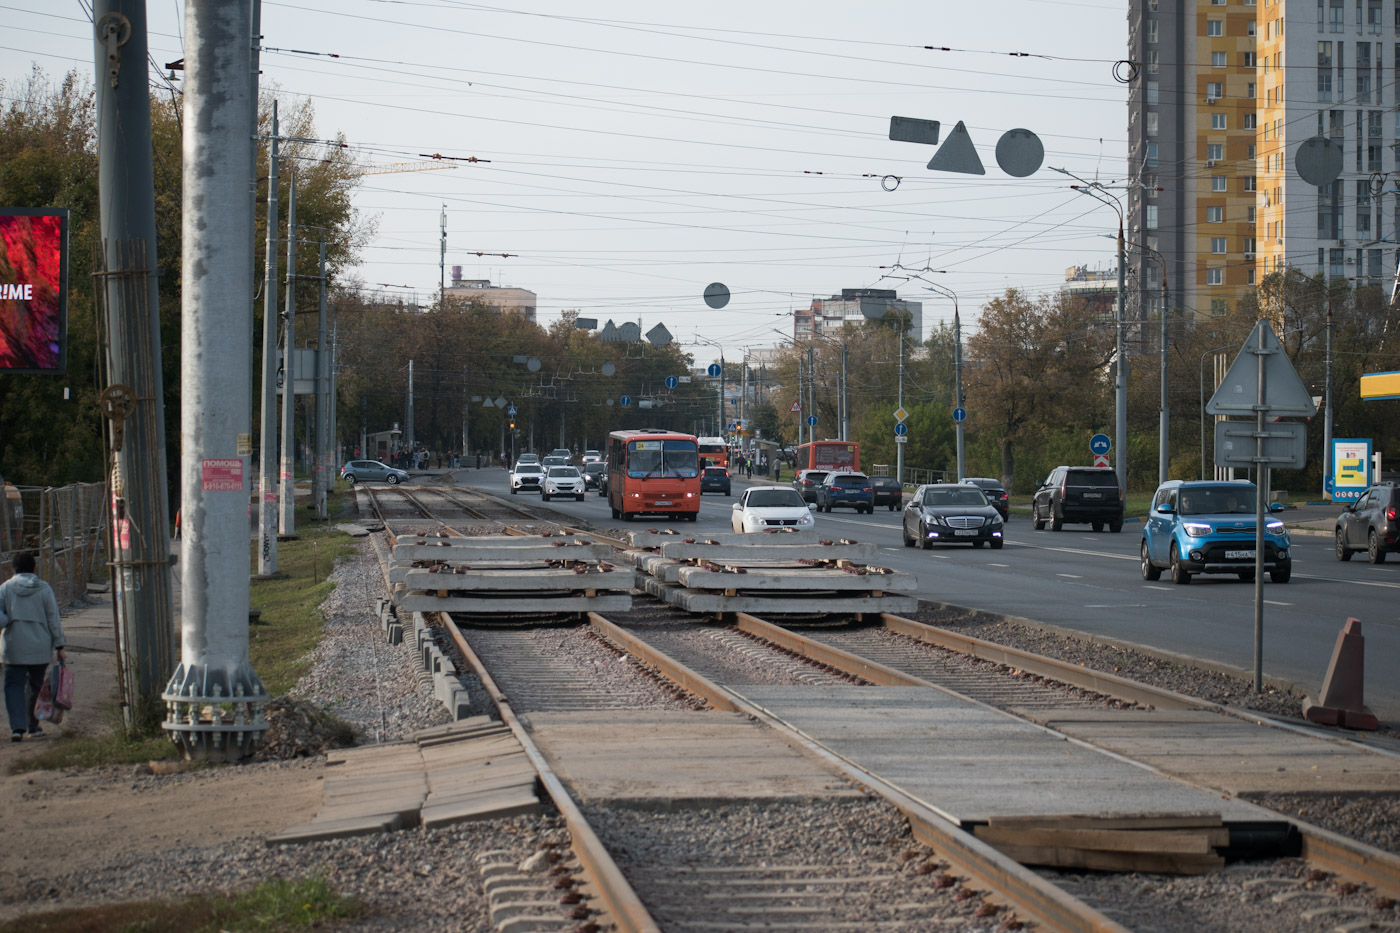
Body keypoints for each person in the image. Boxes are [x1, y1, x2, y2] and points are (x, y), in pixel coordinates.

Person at [0, 550, 66, 741]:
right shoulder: (44, 589)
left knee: (13, 686)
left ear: (14, 568)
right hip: (39, 647)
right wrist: (60, 645)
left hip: (13, 647)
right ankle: (33, 727)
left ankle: (17, 729)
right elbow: (54, 619)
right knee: (35, 685)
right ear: (33, 568)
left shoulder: (5, 589)